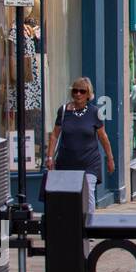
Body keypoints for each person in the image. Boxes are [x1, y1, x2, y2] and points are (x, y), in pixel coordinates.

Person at [46, 77, 116, 212]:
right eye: (75, 91)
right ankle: (71, 227)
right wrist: (50, 157)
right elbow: (54, 135)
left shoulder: (94, 112)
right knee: (68, 197)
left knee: (88, 193)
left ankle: (89, 226)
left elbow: (103, 137)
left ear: (88, 94)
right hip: (66, 162)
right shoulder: (64, 111)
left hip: (89, 162)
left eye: (82, 91)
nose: (78, 94)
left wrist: (110, 159)